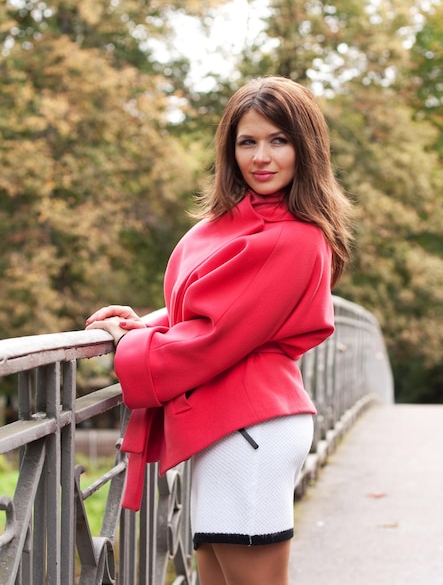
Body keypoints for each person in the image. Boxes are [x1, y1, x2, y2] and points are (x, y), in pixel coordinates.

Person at [86, 76, 353, 585]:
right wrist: (148, 323)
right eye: (247, 142)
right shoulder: (231, 223)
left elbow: (216, 335)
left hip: (248, 430)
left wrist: (134, 345)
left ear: (306, 149)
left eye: (279, 140)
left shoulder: (293, 237)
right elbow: (207, 310)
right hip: (228, 427)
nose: (261, 157)